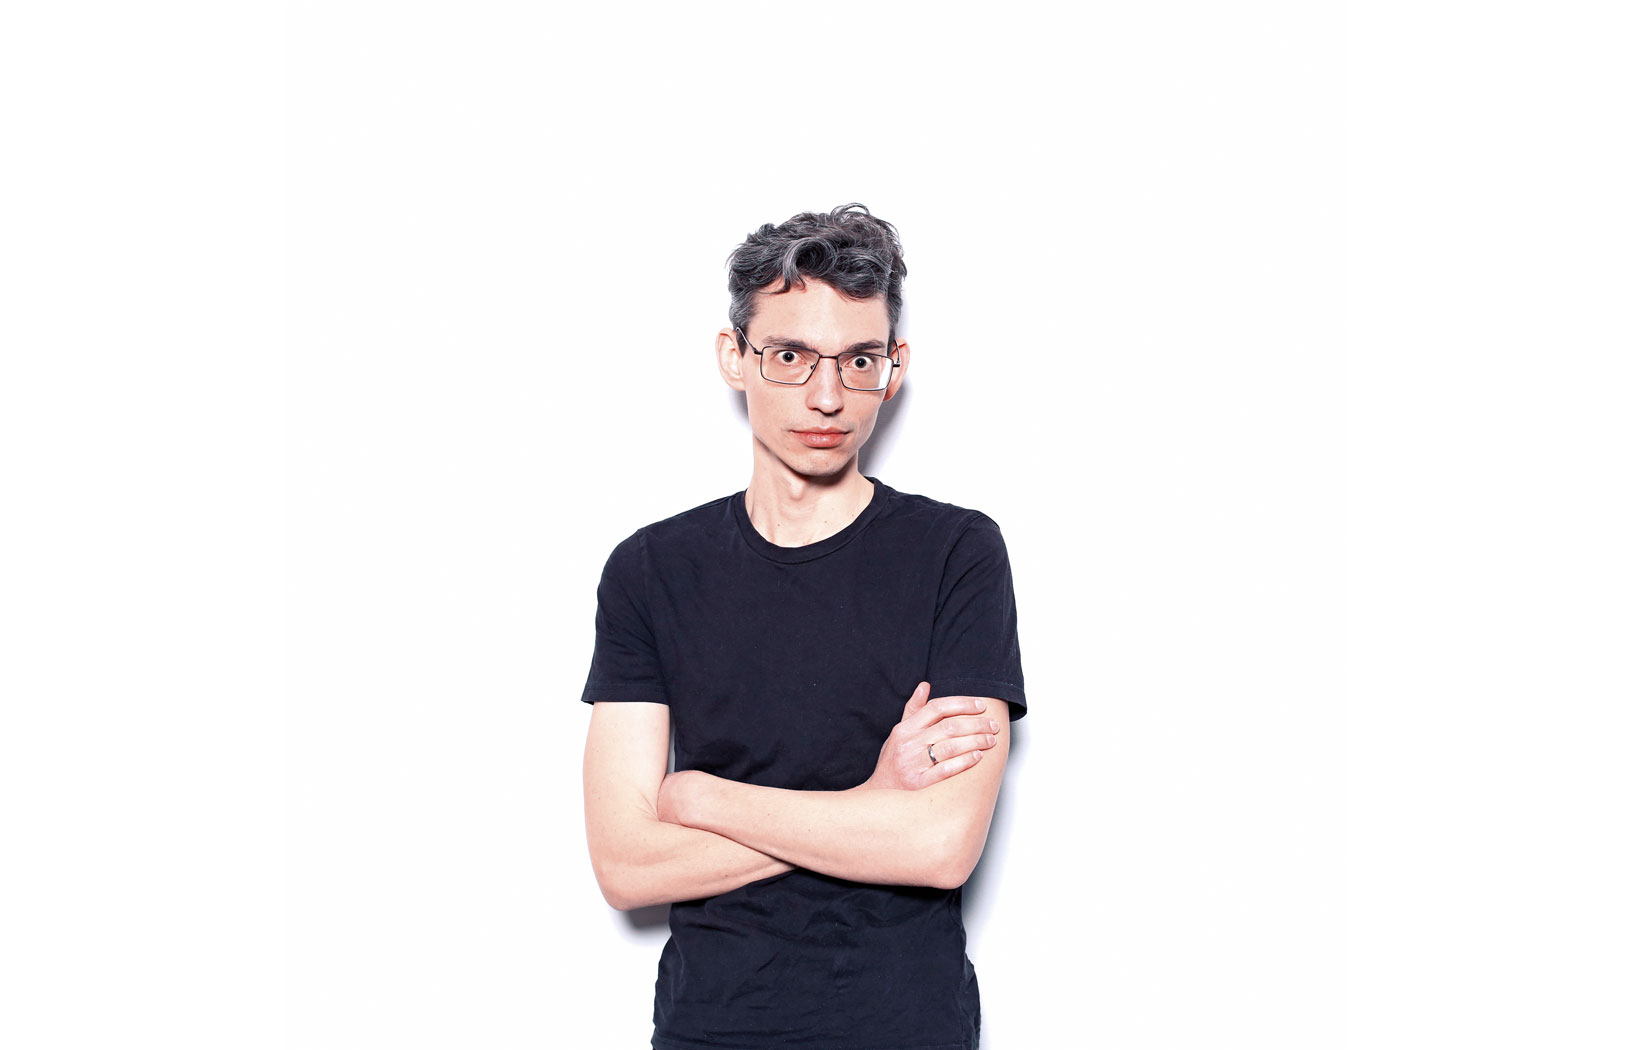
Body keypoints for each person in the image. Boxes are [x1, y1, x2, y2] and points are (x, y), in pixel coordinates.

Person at [580, 203, 1026, 1050]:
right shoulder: (650, 570)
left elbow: (938, 845)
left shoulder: (955, 553)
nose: (827, 397)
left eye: (858, 360)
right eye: (789, 356)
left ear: (892, 368)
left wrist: (703, 799)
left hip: (903, 1027)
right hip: (710, 1028)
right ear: (734, 356)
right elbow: (627, 865)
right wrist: (869, 808)